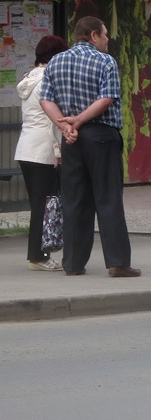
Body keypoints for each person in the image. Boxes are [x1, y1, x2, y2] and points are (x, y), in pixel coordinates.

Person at [39, 16, 140, 278]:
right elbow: (107, 98)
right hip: (102, 136)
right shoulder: (105, 61)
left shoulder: (56, 61)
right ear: (93, 35)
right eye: (105, 35)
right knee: (108, 199)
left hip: (71, 140)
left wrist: (65, 126)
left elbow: (46, 100)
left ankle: (72, 263)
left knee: (75, 201)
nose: (108, 40)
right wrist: (80, 119)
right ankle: (117, 263)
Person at [14, 35, 69, 271]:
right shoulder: (48, 79)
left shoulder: (30, 78)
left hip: (25, 147)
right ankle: (38, 256)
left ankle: (37, 253)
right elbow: (52, 121)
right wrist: (59, 152)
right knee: (43, 206)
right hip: (43, 150)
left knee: (37, 204)